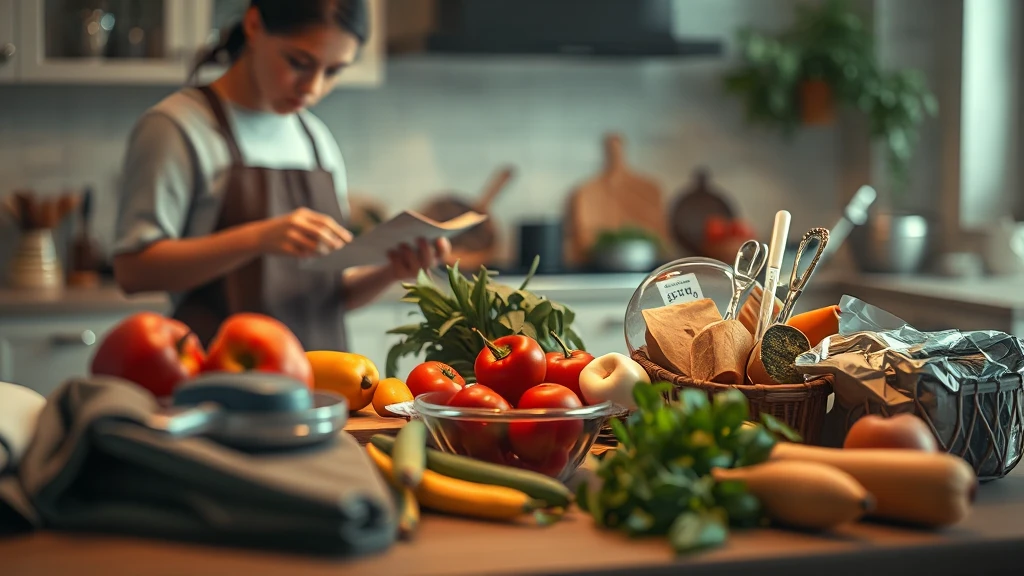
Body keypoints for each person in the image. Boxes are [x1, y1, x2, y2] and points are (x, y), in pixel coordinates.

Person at [111, 0, 450, 351]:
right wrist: (258, 238)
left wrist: (392, 271)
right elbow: (133, 270)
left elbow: (328, 297)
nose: (313, 88)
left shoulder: (315, 139)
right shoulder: (176, 127)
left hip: (320, 386)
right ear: (255, 25)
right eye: (299, 63)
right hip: (217, 384)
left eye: (333, 71)